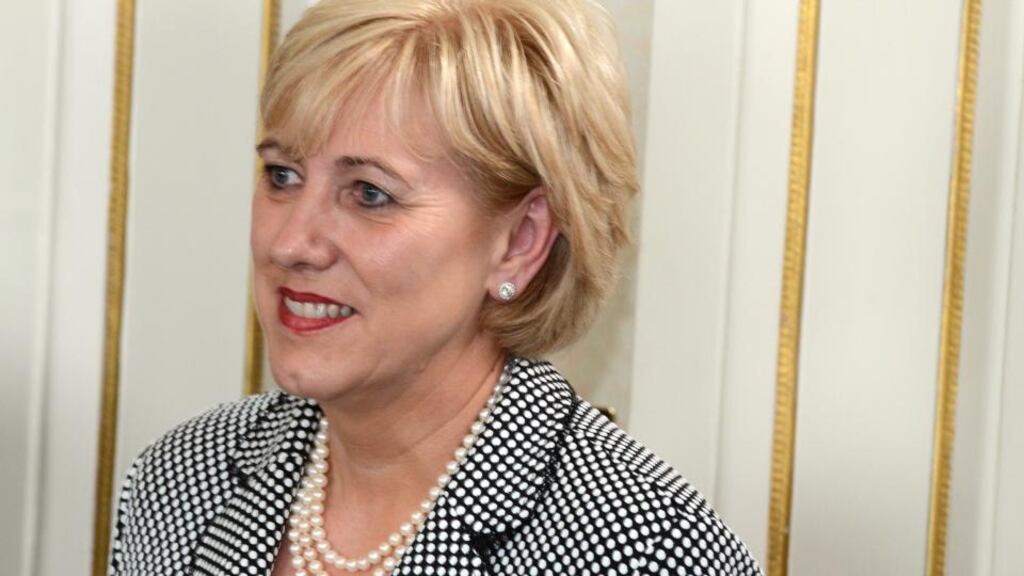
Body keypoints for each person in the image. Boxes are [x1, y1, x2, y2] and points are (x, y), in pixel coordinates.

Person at [109, 0, 762, 574]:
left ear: (520, 241)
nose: (289, 244)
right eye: (282, 176)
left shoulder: (646, 554)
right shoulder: (180, 479)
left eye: (369, 193)